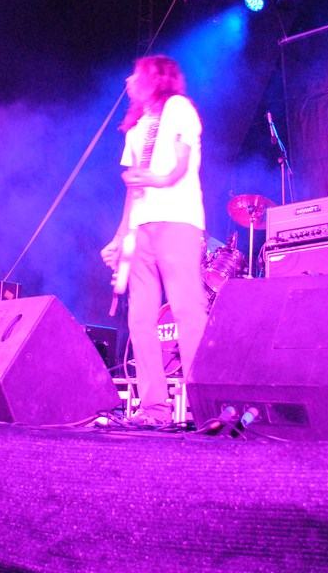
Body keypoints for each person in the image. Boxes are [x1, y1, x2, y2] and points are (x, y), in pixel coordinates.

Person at [100, 55, 210, 428]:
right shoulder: (135, 129)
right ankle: (154, 409)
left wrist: (152, 179)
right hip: (141, 227)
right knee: (139, 318)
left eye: (135, 74)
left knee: (187, 311)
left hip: (177, 220)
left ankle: (205, 406)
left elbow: (179, 167)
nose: (128, 80)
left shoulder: (179, 108)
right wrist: (120, 236)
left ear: (154, 78)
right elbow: (133, 189)